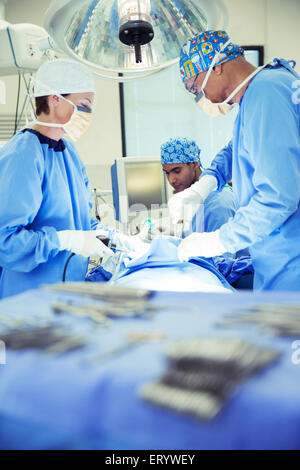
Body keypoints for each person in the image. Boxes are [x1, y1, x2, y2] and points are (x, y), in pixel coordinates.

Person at [168, 30, 300, 291]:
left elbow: (279, 197)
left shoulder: (267, 93)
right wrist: (202, 187)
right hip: (278, 254)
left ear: (215, 66)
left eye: (195, 87)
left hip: (291, 260)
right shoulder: (256, 95)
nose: (200, 97)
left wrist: (218, 241)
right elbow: (234, 149)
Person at [0, 59, 139, 299]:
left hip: (67, 294)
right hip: (27, 301)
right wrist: (65, 240)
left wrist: (115, 239)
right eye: (83, 105)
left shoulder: (67, 151)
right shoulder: (22, 154)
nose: (87, 114)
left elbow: (83, 223)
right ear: (54, 99)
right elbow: (6, 242)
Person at [160, 137, 235, 234]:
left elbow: (220, 246)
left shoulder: (218, 203)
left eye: (177, 171)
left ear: (194, 164)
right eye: (167, 173)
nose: (171, 180)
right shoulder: (190, 199)